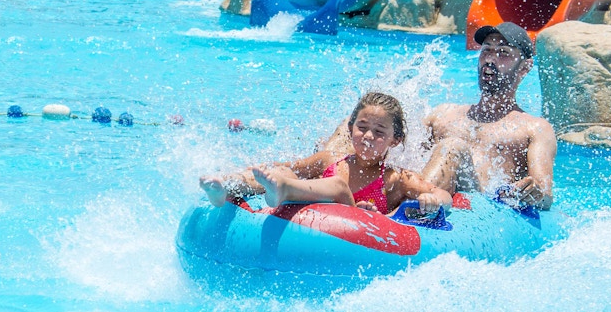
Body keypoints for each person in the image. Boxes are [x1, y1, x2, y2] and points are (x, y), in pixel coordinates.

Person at [200, 92, 453, 215]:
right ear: (351, 127)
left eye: (378, 132)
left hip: (357, 239)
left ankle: (283, 190)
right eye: (361, 127)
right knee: (284, 172)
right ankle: (226, 186)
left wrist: (435, 200)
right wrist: (262, 172)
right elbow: (289, 167)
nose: (367, 136)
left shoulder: (395, 179)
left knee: (339, 188)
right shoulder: (331, 160)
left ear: (395, 141)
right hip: (306, 219)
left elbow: (441, 194)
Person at [421, 22, 556, 210]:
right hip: (434, 200)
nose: (490, 59)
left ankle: (413, 209)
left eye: (503, 52)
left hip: (482, 210)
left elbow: (545, 195)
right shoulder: (442, 115)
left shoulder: (534, 128)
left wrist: (534, 191)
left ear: (525, 68)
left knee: (452, 146)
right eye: (486, 50)